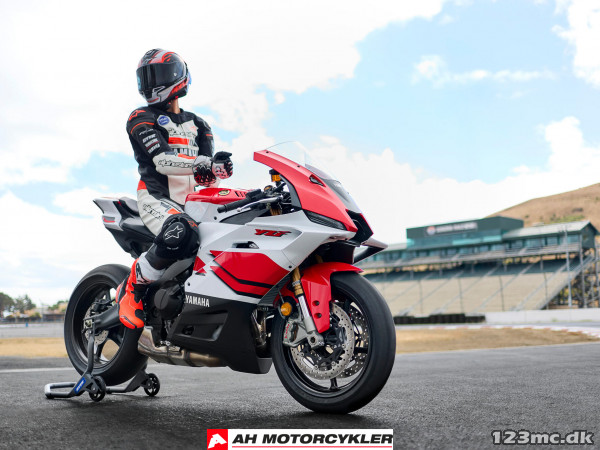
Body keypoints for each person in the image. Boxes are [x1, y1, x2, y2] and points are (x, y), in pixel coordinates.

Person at [115, 49, 233, 329]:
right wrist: (204, 165)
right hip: (156, 198)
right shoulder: (140, 117)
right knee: (183, 229)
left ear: (177, 76)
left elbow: (207, 177)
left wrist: (218, 171)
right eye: (146, 77)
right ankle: (133, 289)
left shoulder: (200, 124)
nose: (150, 84)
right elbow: (162, 160)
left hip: (195, 202)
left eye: (156, 76)